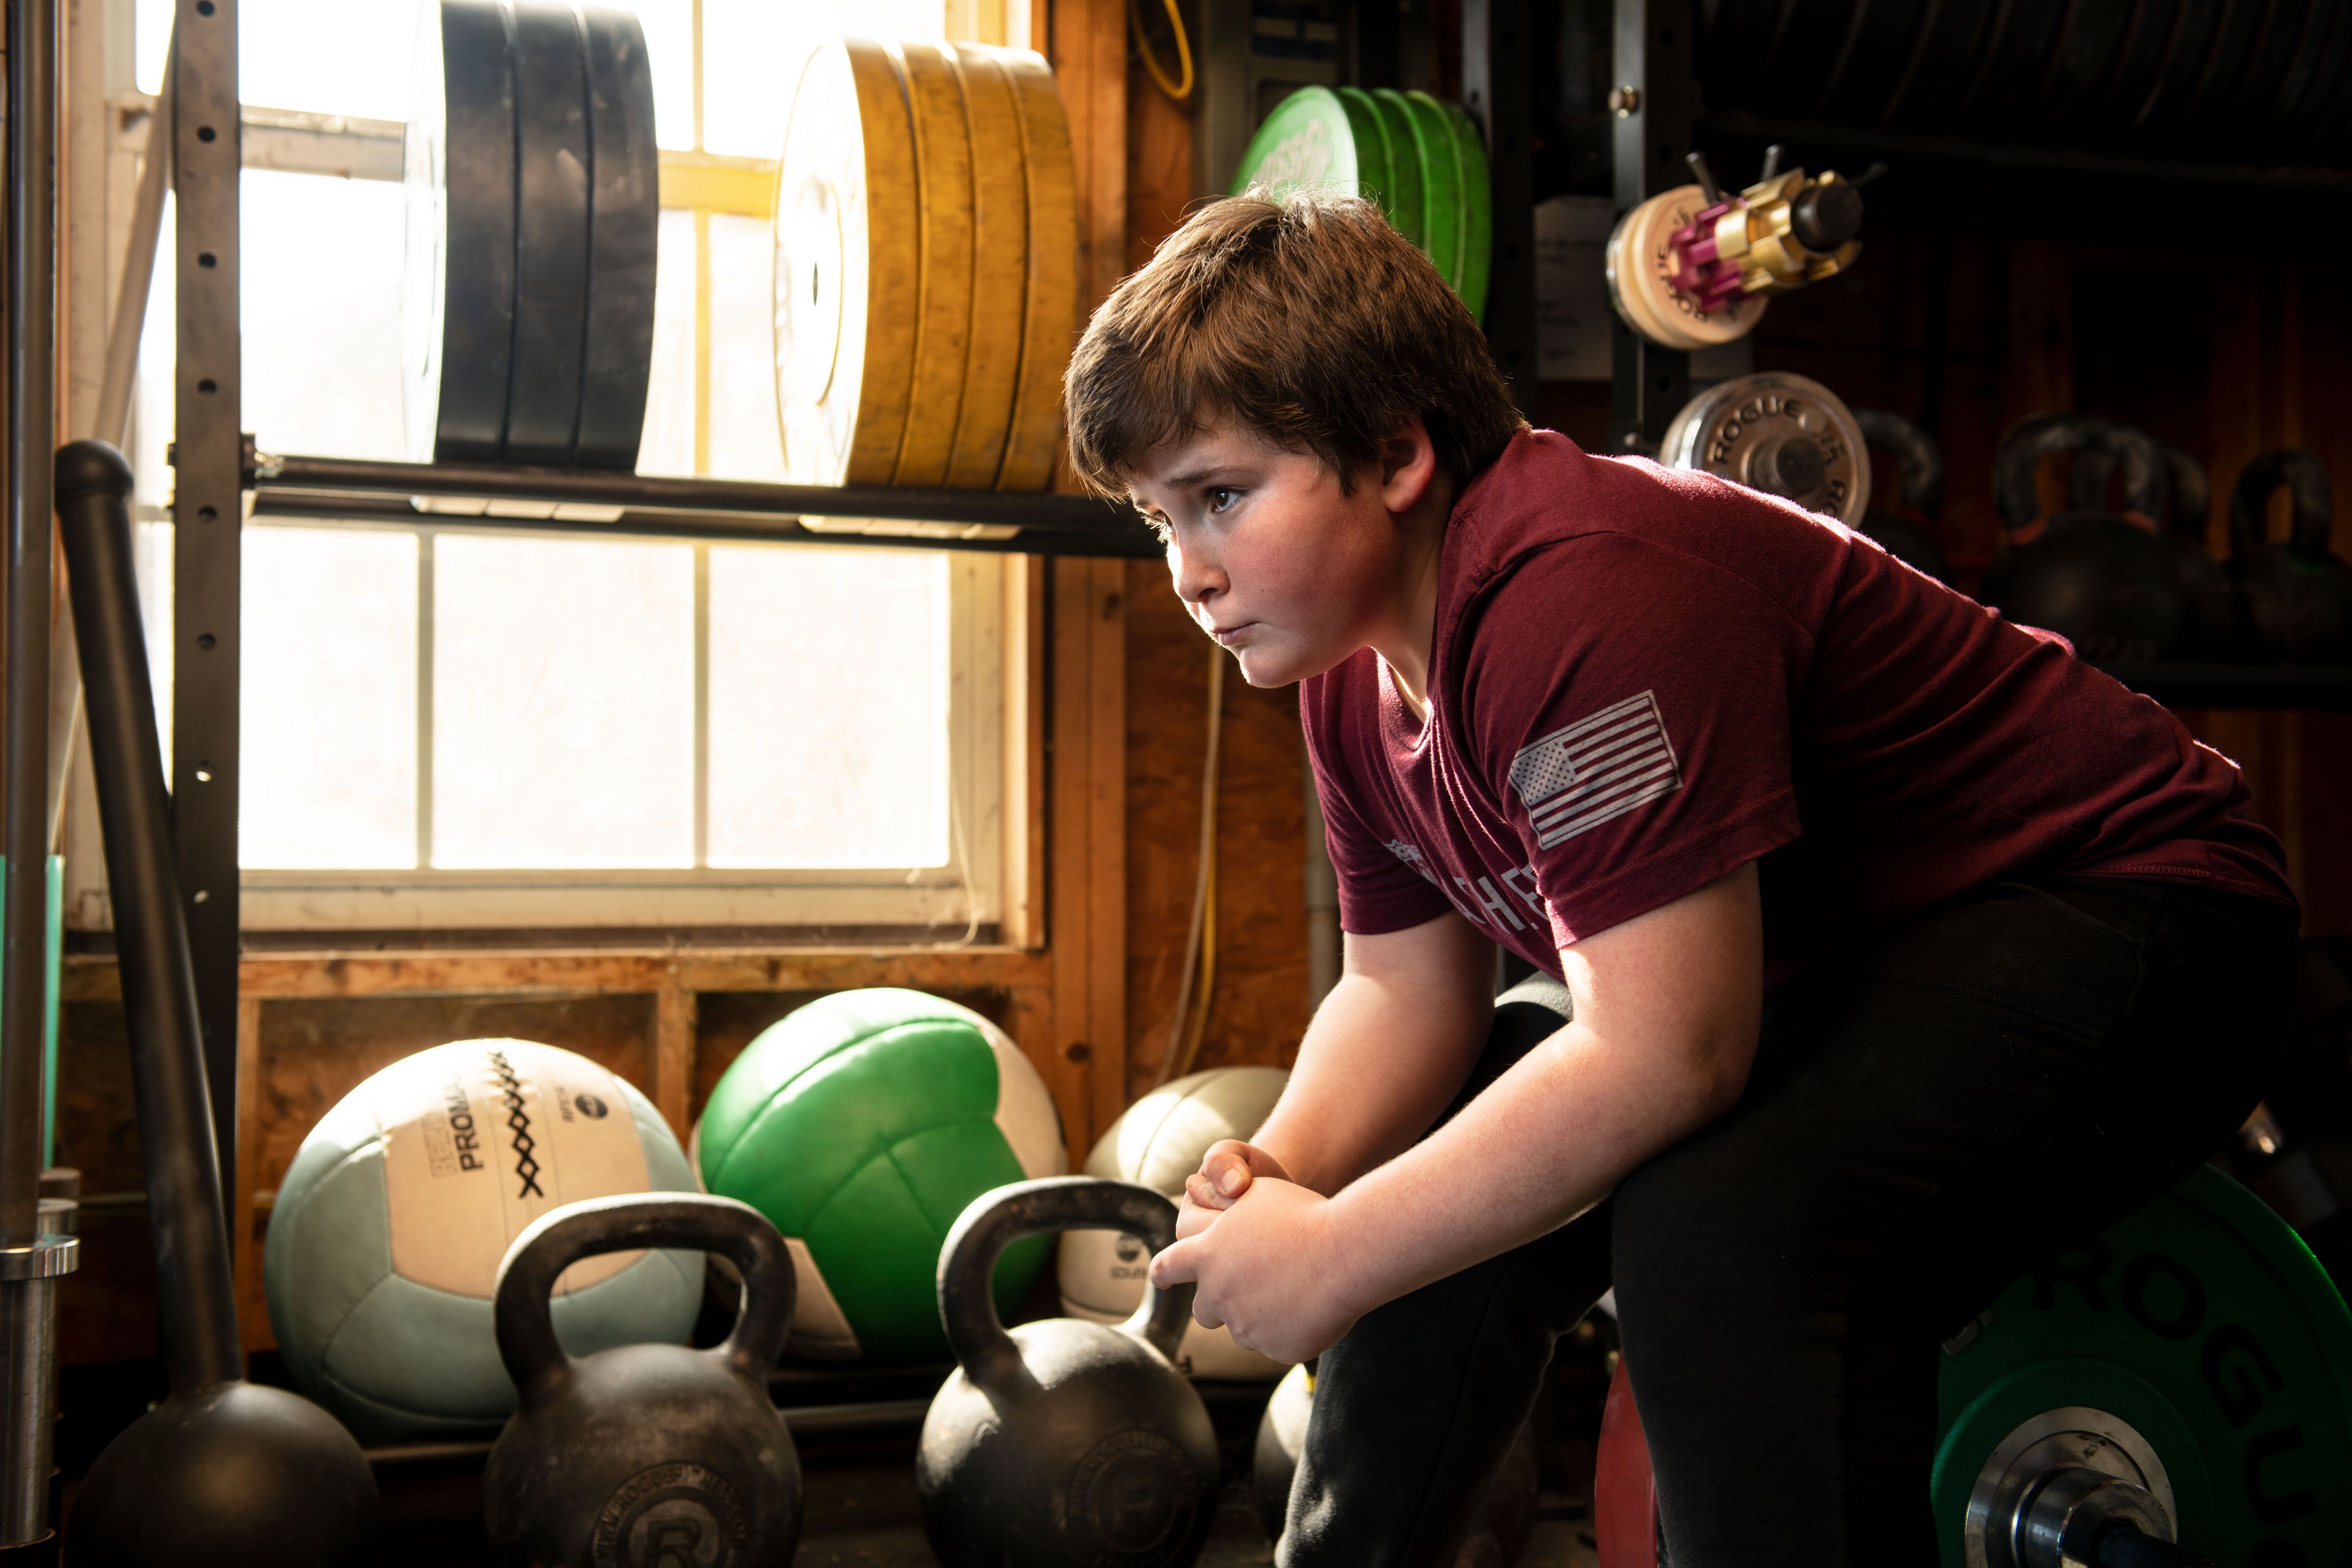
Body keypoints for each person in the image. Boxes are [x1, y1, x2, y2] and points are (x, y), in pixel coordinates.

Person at [1060, 193, 2301, 1568]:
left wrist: (1338, 1253)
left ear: (1398, 451)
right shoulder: (1355, 681)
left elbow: (1664, 1052)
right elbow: (1404, 990)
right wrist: (1286, 1173)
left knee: (1719, 1238)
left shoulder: (1579, 595)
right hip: (1835, 964)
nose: (1186, 570)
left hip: (2138, 912)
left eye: (1220, 497)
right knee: (1431, 1196)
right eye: (1156, 519)